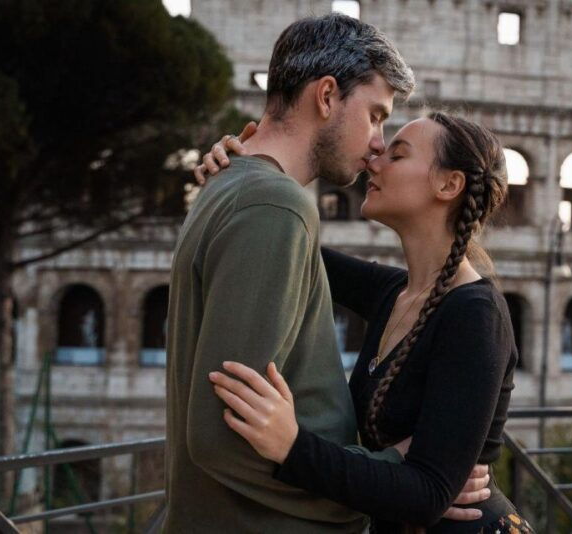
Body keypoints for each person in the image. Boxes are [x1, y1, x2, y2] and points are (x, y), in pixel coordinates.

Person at [164, 13, 486, 534]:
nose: (378, 144)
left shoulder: (237, 190)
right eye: (376, 116)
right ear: (328, 96)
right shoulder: (276, 206)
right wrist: (385, 482)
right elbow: (221, 436)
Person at [200, 112, 534, 533]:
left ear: (449, 185)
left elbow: (426, 496)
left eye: (398, 155)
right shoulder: (395, 292)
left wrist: (292, 446)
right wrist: (240, 172)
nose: (374, 162)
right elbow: (280, 238)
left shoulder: (476, 314)